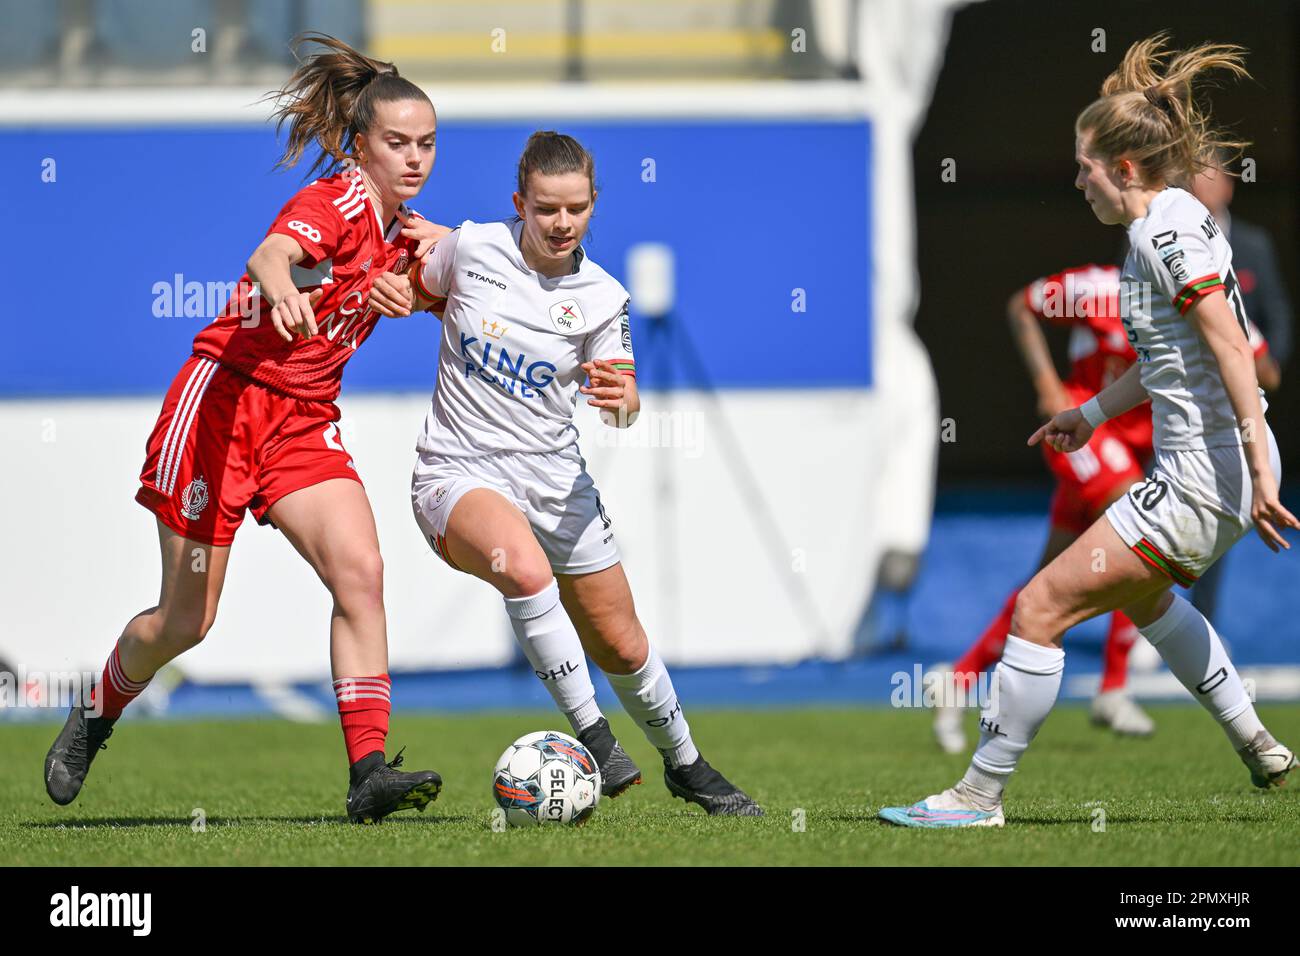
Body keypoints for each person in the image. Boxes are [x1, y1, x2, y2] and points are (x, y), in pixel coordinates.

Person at [881, 33, 1298, 828]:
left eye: (1085, 166)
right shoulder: (1176, 219)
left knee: (1038, 609)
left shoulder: (1160, 236)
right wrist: (1089, 414)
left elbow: (1231, 347)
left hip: (1207, 476)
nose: (1076, 180)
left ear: (1127, 170)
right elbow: (1174, 361)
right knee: (1144, 600)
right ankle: (1259, 746)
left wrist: (1260, 472)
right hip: (1219, 469)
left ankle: (977, 796)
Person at [44, 34, 444, 824]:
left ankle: (368, 773)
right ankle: (95, 715)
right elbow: (272, 254)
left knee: (360, 572)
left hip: (301, 421)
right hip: (224, 404)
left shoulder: (411, 235)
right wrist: (282, 289)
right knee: (186, 620)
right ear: (360, 144)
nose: (414, 158)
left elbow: (466, 274)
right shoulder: (339, 203)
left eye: (427, 143)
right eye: (396, 143)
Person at [370, 131, 763, 816]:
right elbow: (418, 290)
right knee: (524, 570)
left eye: (576, 209)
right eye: (546, 208)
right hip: (456, 472)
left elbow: (625, 402)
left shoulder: (603, 297)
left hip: (556, 482)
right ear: (519, 203)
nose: (561, 223)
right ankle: (596, 739)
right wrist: (394, 287)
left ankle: (688, 766)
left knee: (620, 639)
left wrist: (624, 403)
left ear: (593, 206)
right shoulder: (472, 248)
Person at [932, 263, 1157, 752]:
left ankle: (960, 678)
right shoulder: (1099, 287)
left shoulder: (1191, 295)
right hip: (1082, 434)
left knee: (1046, 580)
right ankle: (1115, 687)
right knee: (1141, 530)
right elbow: (1022, 306)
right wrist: (1047, 387)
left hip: (1131, 449)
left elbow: (1256, 358)